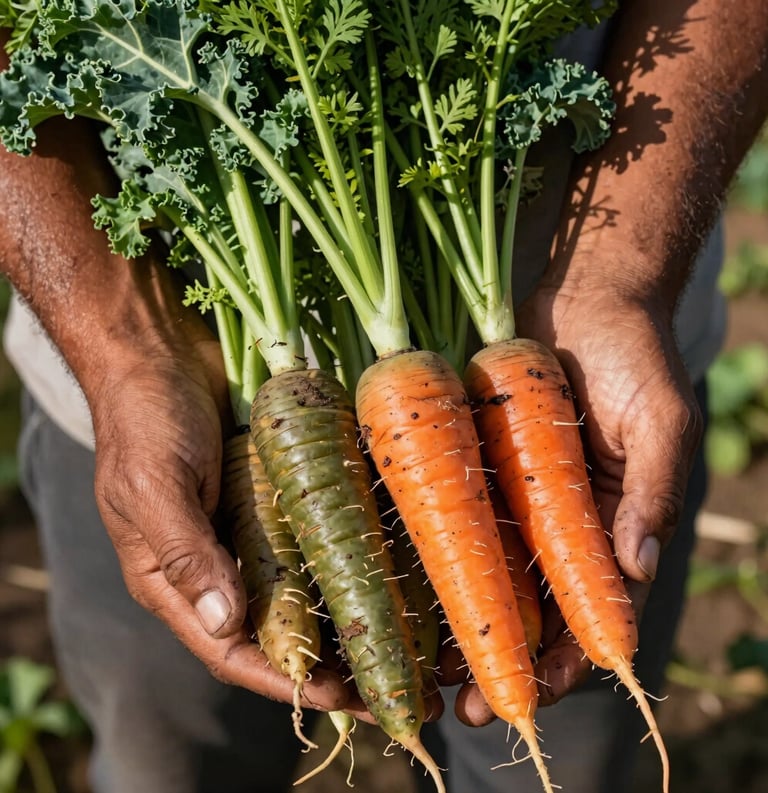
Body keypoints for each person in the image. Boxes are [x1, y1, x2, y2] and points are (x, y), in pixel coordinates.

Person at [1, 1, 767, 792]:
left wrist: (620, 278)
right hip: (163, 390)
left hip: (577, 350)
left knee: (571, 755)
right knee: (170, 761)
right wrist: (123, 348)